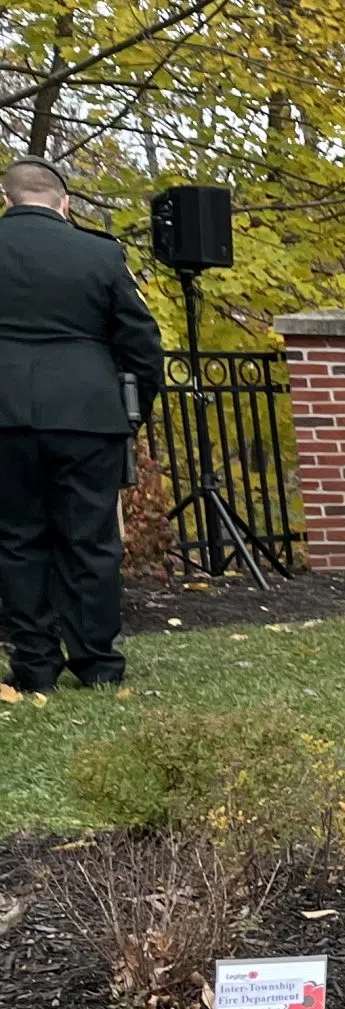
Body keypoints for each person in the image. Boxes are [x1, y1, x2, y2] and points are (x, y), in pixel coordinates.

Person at [0, 157, 162, 693]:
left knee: (17, 539)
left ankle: (34, 665)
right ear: (64, 203)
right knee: (90, 539)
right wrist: (133, 410)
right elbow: (141, 341)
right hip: (87, 415)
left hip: (5, 414)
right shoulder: (100, 253)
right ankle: (97, 662)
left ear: (7, 201)